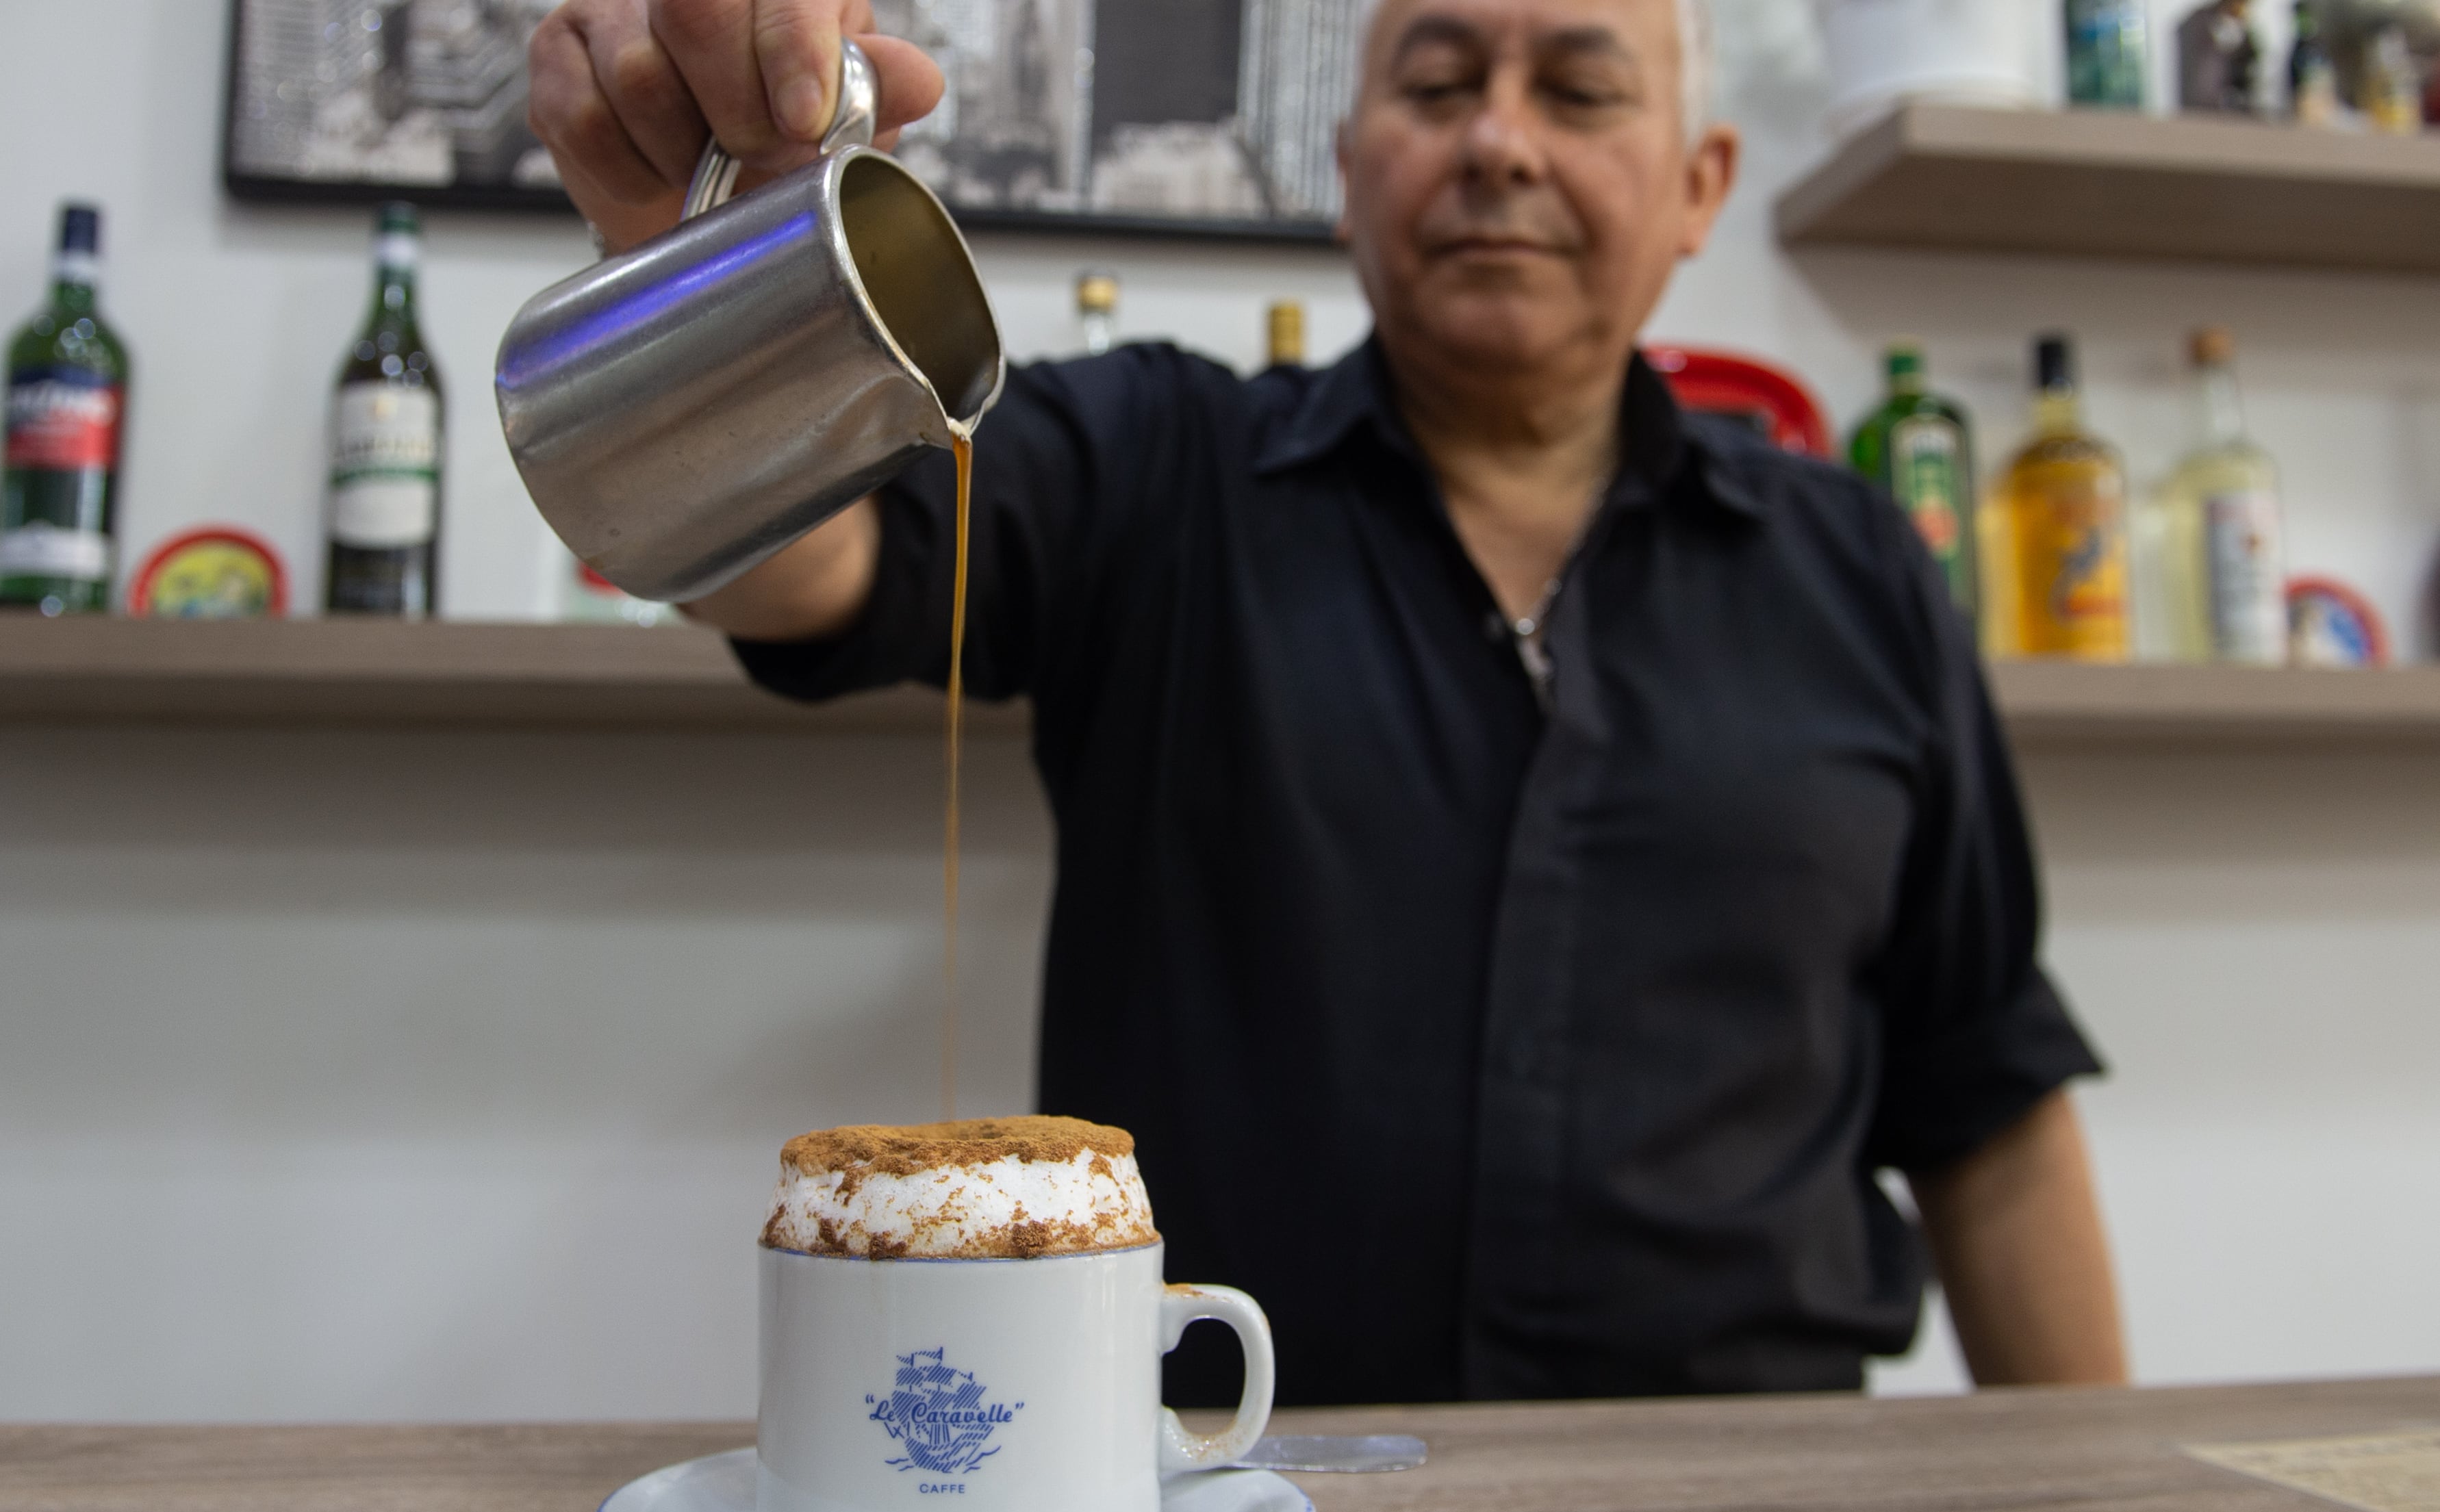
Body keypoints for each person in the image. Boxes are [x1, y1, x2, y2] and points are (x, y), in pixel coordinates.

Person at [528, 0, 2131, 1405]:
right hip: (1213, 1509)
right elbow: (816, 569)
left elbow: (1986, 1102)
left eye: (1580, 91)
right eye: (1438, 86)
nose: (1500, 142)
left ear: (1700, 183)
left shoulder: (1855, 566)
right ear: (1351, 163)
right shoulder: (1161, 470)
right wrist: (701, 289)